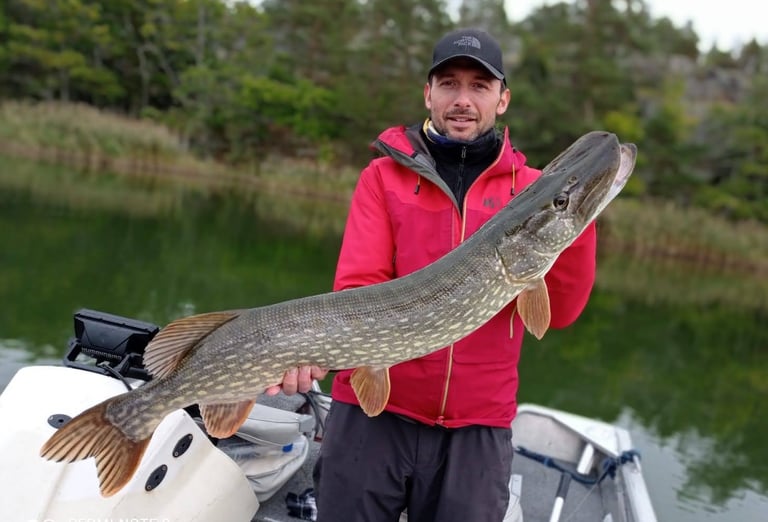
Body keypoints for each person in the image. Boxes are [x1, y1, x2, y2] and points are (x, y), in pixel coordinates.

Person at [267, 28, 597, 521]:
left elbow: (563, 312)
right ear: (429, 93)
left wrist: (576, 220)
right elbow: (358, 291)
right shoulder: (383, 177)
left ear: (502, 99)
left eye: (480, 87)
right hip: (371, 415)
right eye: (449, 84)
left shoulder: (530, 192)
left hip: (477, 430)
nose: (463, 100)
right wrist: (308, 351)